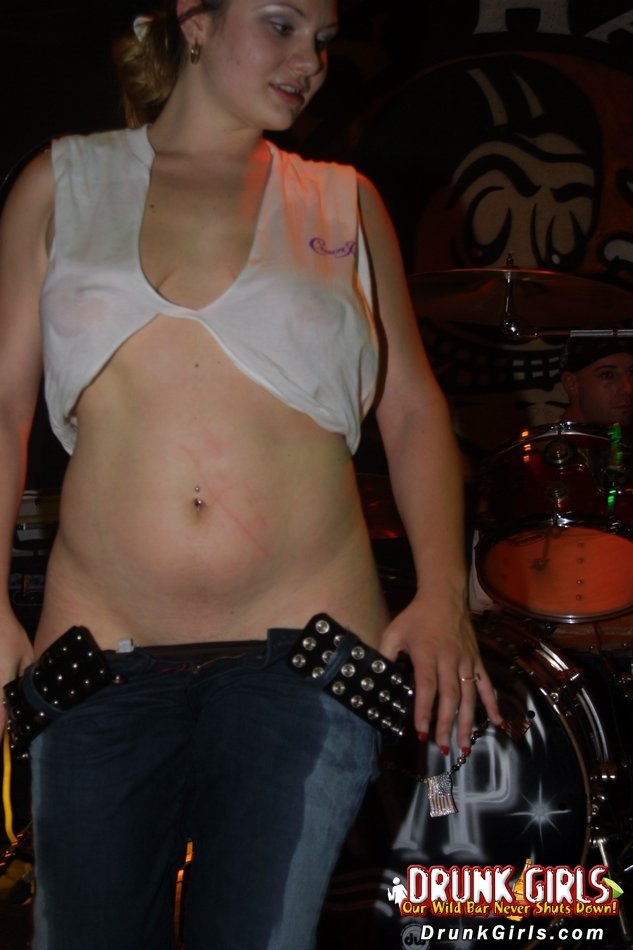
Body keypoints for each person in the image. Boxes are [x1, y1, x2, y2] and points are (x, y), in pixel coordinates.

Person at [0, 1, 501, 947]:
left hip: (304, 655)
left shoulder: (342, 199)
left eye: (323, 38)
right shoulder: (61, 183)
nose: (309, 58)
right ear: (193, 20)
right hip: (99, 655)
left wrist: (442, 594)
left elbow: (411, 409)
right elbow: (3, 407)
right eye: (280, 24)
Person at [559, 336, 633, 428]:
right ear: (571, 383)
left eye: (632, 373)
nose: (628, 389)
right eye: (607, 375)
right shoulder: (552, 438)